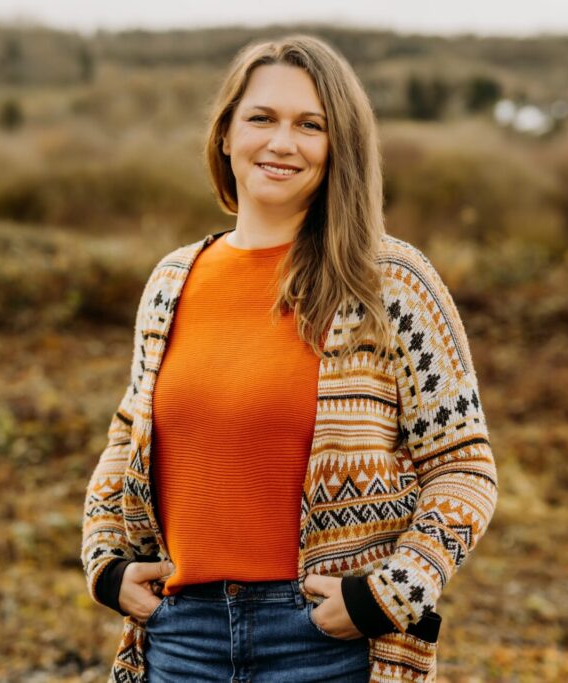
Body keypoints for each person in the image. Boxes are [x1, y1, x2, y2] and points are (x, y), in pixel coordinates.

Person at [81, 34, 498, 683]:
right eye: (262, 118)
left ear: (339, 148)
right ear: (225, 134)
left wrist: (389, 590)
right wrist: (105, 559)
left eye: (311, 125)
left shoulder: (391, 282)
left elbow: (464, 465)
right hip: (179, 635)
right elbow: (126, 434)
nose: (282, 143)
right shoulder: (172, 280)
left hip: (326, 640)